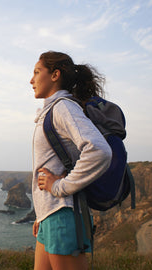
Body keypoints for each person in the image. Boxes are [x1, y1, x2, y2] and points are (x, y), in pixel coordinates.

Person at [30, 51, 112, 270]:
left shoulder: (64, 107)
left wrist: (60, 186)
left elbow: (99, 151)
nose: (31, 80)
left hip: (64, 214)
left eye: (37, 72)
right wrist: (41, 214)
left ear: (55, 75)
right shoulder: (51, 110)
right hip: (50, 214)